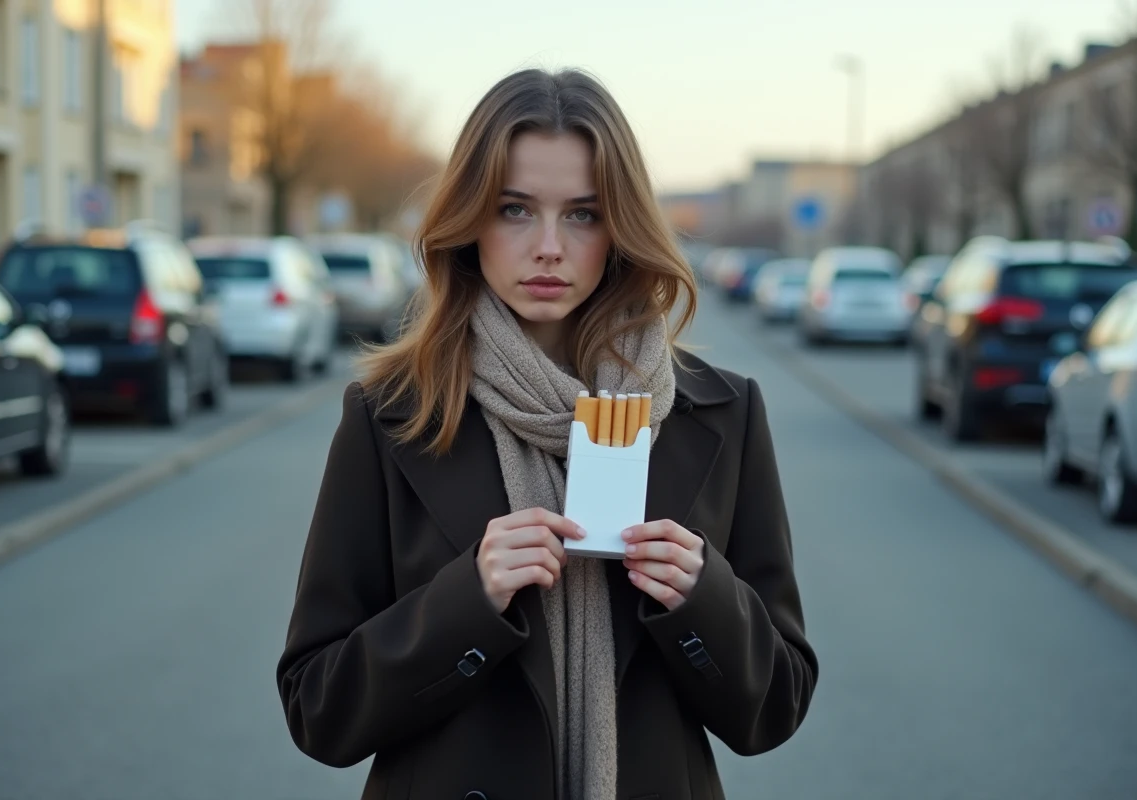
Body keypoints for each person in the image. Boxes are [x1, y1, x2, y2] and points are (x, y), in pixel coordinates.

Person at [276, 67, 817, 800]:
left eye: (584, 214)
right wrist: (468, 597)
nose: (550, 247)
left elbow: (776, 710)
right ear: (470, 220)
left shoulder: (722, 417)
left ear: (621, 226)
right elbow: (318, 710)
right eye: (515, 209)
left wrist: (704, 596)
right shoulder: (391, 416)